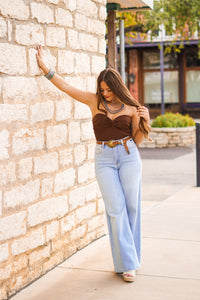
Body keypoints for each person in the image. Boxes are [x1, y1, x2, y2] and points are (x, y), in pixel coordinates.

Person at [36, 45, 151, 282]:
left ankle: (128, 262)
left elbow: (137, 140)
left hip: (129, 156)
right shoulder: (93, 102)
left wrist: (144, 120)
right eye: (102, 89)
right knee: (116, 210)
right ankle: (128, 263)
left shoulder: (131, 107)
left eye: (109, 89)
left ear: (117, 87)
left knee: (131, 209)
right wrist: (47, 68)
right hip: (104, 159)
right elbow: (67, 87)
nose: (105, 93)